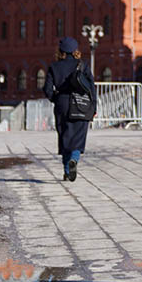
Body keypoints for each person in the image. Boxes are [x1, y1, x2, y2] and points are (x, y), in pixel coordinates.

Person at [43, 37, 96, 182]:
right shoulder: (82, 65)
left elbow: (47, 89)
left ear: (61, 51)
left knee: (65, 137)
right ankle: (74, 159)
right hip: (81, 104)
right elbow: (92, 87)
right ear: (75, 50)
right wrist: (94, 106)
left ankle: (67, 171)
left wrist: (56, 99)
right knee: (78, 137)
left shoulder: (54, 66)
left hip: (62, 104)